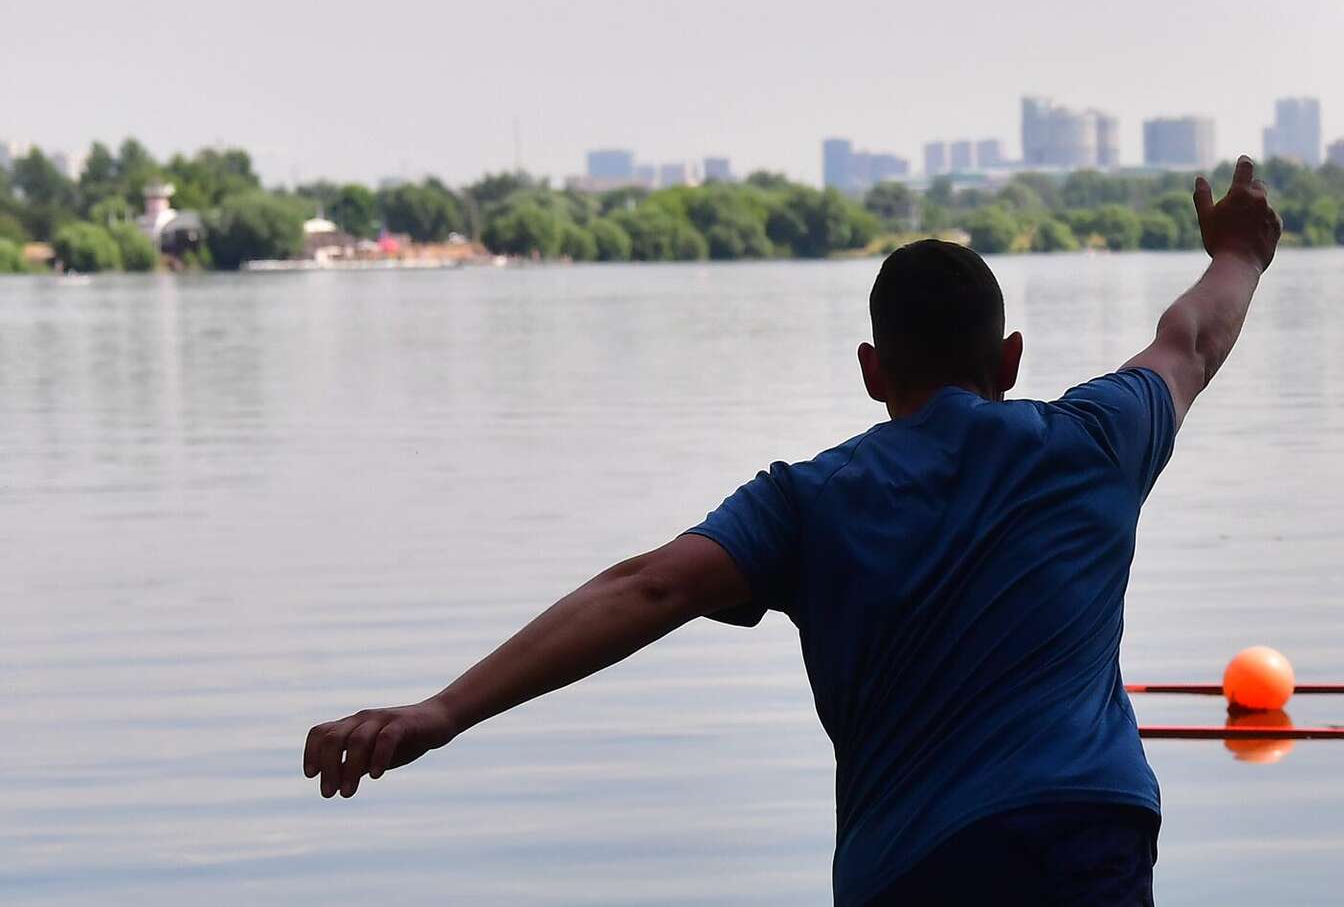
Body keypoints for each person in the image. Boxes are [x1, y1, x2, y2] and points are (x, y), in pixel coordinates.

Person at [302, 158, 1283, 906]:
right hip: (1087, 834)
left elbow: (646, 588)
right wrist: (1238, 250)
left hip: (918, 864)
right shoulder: (1095, 439)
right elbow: (1193, 336)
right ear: (1011, 358)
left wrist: (443, 711)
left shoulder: (810, 503)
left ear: (870, 367)